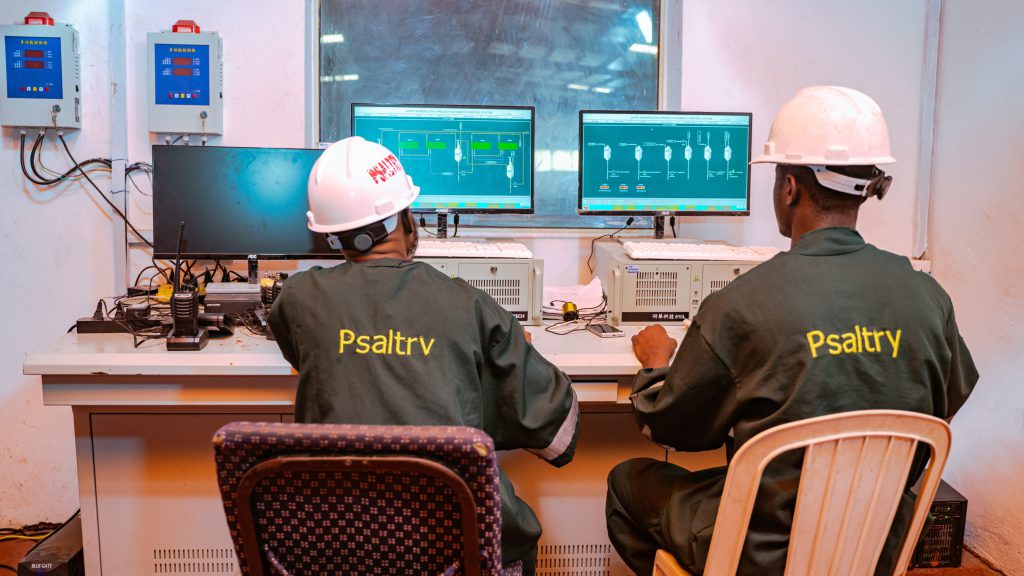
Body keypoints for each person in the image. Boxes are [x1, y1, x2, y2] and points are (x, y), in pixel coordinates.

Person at [605, 85, 978, 575]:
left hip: (761, 555)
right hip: (876, 545)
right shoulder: (928, 296)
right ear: (867, 187)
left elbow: (674, 428)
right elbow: (946, 401)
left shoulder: (739, 306)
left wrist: (656, 367)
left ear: (789, 187)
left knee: (628, 480)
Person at [268, 136, 579, 574]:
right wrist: (510, 351)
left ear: (330, 235)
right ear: (404, 217)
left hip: (335, 553)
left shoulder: (298, 298)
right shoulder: (469, 305)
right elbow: (558, 431)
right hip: (455, 555)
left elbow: (305, 357)